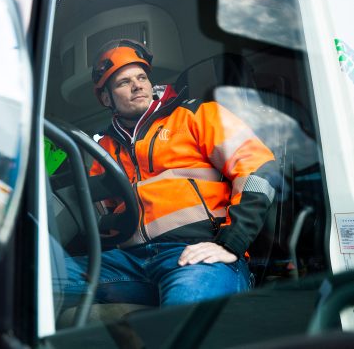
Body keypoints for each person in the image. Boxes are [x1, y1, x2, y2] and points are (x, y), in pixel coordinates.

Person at [60, 39, 278, 308]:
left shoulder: (197, 114)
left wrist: (230, 243)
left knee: (180, 319)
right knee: (35, 276)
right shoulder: (102, 149)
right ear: (106, 98)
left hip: (195, 254)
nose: (138, 85)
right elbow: (97, 217)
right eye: (124, 82)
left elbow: (261, 171)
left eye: (142, 77)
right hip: (128, 262)